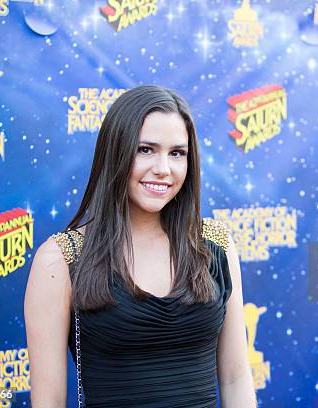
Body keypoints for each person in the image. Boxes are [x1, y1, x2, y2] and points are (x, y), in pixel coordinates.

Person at [24, 85, 257, 407]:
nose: (163, 168)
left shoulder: (215, 244)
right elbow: (48, 401)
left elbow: (235, 377)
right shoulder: (61, 258)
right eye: (145, 149)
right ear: (115, 152)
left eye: (177, 153)